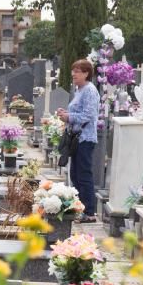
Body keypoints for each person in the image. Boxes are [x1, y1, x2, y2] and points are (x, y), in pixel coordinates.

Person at [57, 59, 101, 223]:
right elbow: (78, 112)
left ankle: (89, 212)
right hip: (77, 138)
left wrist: (69, 116)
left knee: (83, 175)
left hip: (85, 138)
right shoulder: (79, 90)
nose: (73, 74)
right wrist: (66, 114)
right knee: (75, 175)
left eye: (77, 71)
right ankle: (80, 208)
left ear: (86, 73)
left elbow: (89, 116)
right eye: (73, 70)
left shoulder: (89, 90)